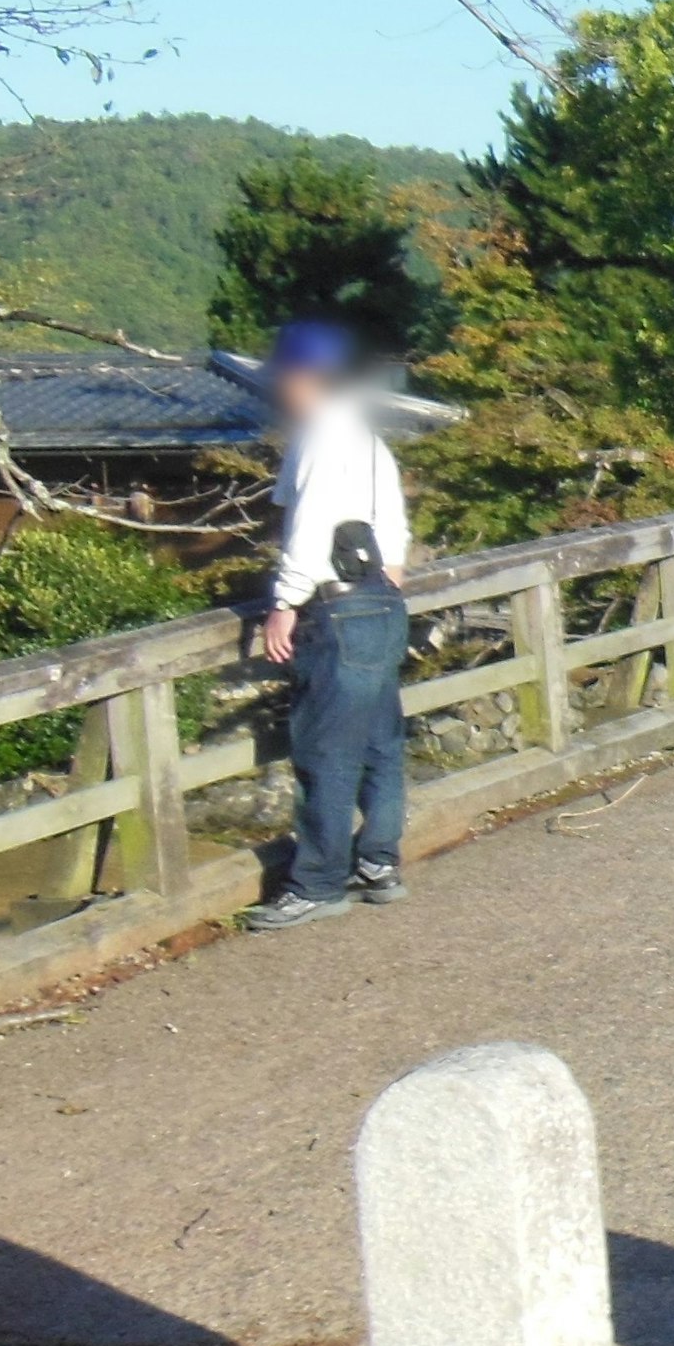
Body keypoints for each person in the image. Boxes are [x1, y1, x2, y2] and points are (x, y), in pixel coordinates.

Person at [243, 322, 415, 932]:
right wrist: (386, 587)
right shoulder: (369, 441)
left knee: (324, 750)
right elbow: (396, 533)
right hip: (383, 601)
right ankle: (378, 863)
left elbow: (308, 525)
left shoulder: (319, 434)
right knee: (378, 745)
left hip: (335, 607)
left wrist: (285, 602)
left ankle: (316, 883)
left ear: (301, 376)